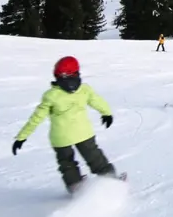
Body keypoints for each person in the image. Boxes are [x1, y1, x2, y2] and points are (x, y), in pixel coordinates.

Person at [12, 56, 120, 193]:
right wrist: (107, 113)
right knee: (94, 157)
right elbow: (97, 101)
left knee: (67, 163)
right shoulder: (84, 90)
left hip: (61, 138)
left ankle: (75, 186)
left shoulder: (51, 95)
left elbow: (36, 118)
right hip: (83, 133)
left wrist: (22, 137)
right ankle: (111, 180)